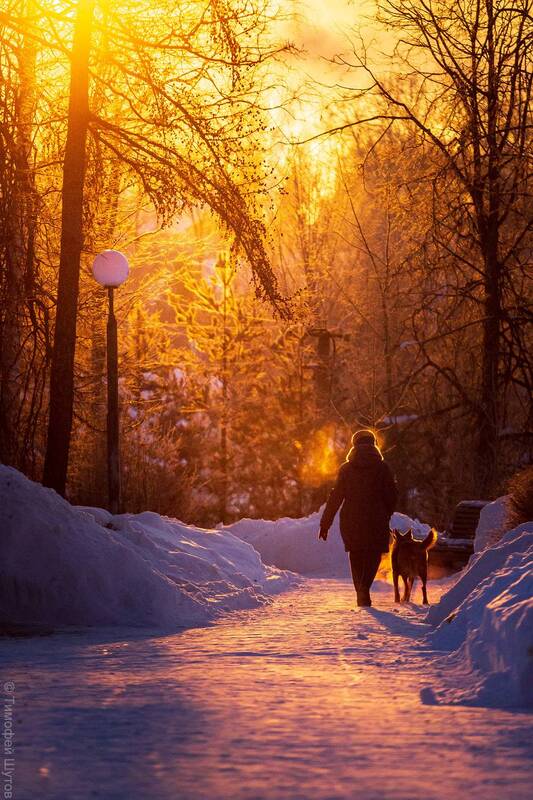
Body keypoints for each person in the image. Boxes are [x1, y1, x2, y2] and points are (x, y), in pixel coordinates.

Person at [318, 429, 398, 607]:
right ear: (374, 445)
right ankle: (365, 588)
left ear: (354, 445)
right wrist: (387, 511)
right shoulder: (383, 468)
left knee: (356, 554)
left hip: (351, 519)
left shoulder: (346, 469)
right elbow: (392, 495)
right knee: (373, 554)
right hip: (376, 519)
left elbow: (336, 497)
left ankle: (360, 591)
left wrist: (325, 524)